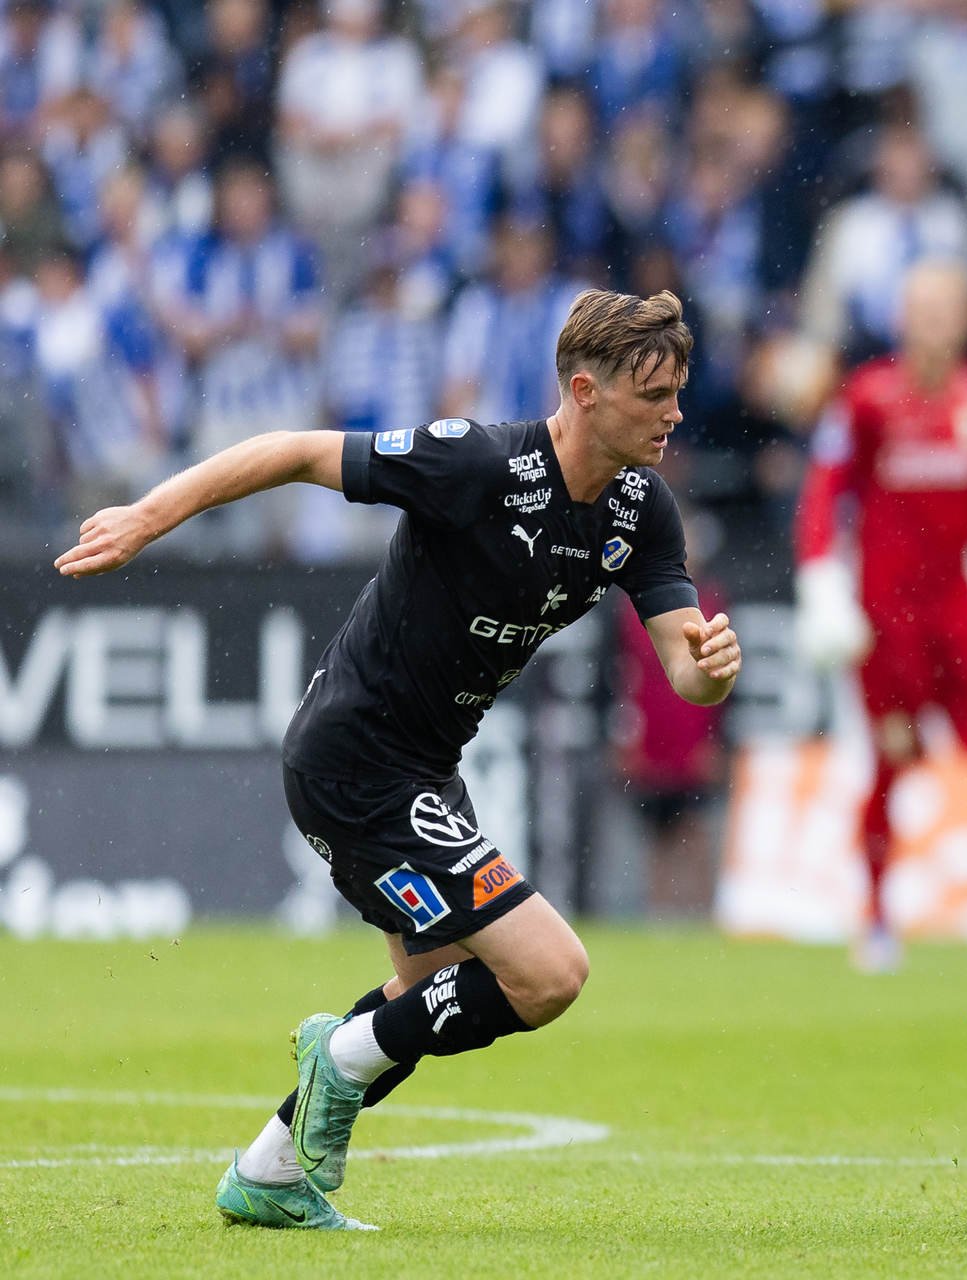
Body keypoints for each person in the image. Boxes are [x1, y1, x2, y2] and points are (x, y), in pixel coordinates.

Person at [54, 289, 742, 1231]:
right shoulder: (479, 464)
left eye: (677, 393)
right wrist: (148, 516)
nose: (673, 415)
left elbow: (682, 664)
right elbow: (295, 451)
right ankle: (334, 1058)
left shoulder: (640, 509)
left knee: (423, 1000)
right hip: (354, 764)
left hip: (424, 771)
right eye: (653, 395)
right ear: (584, 391)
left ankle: (268, 1172)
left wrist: (707, 670)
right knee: (548, 975)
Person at [794, 260, 967, 971]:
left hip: (959, 621)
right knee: (891, 760)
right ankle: (878, 917)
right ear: (901, 319)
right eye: (923, 309)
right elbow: (825, 495)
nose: (935, 322)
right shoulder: (867, 399)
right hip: (888, 626)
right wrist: (823, 582)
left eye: (948, 309)